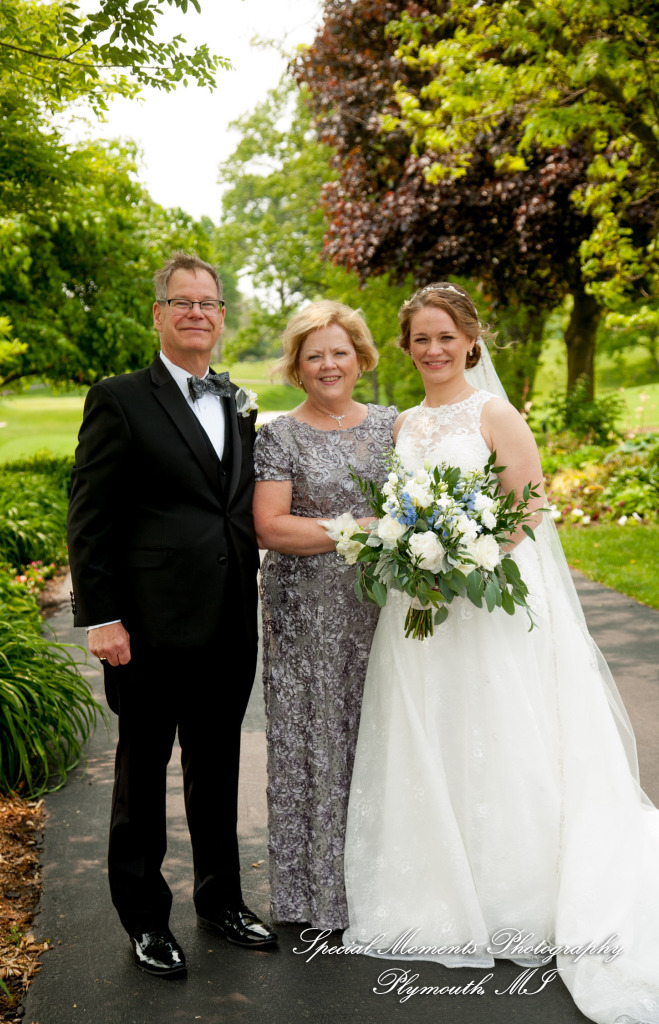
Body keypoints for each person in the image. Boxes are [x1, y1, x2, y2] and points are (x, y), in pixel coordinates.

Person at [343, 283, 659, 1024]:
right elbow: (398, 507)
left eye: (444, 337)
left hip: (487, 600)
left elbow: (530, 503)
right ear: (405, 346)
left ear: (471, 340)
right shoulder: (405, 424)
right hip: (420, 606)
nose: (432, 350)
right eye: (419, 339)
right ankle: (437, 883)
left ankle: (517, 892)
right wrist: (418, 559)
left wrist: (469, 556)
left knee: (501, 729)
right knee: (434, 727)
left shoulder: (494, 413)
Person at [66, 251, 276, 979]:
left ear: (221, 317)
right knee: (142, 775)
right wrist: (101, 618)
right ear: (158, 315)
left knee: (218, 769)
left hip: (228, 623)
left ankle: (221, 901)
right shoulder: (119, 398)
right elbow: (89, 516)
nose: (196, 313)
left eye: (208, 303)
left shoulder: (239, 401)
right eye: (181, 302)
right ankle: (145, 920)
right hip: (147, 629)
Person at [253, 301, 397, 930]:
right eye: (315, 355)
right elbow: (270, 527)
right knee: (313, 738)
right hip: (302, 614)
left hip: (382, 608)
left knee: (383, 735)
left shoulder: (394, 426)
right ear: (297, 366)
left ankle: (385, 883)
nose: (329, 364)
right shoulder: (280, 435)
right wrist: (361, 529)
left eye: (340, 351)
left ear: (361, 357)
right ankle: (313, 892)